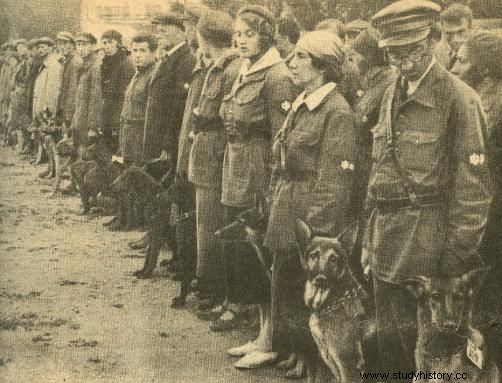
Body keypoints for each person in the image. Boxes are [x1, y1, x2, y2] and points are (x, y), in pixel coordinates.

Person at [367, 0, 491, 376]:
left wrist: (453, 262)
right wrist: (366, 239)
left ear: (434, 39)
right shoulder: (392, 92)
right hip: (385, 244)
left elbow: (473, 192)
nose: (403, 62)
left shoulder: (458, 98)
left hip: (427, 250)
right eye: (393, 54)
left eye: (412, 51)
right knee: (390, 350)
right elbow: (379, 173)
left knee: (428, 360)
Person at [216, 4, 297, 367]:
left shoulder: (276, 75)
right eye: (238, 33)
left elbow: (282, 137)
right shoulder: (245, 70)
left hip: (258, 174)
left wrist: (271, 187)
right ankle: (263, 332)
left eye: (249, 33)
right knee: (247, 256)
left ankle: (272, 339)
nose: (240, 39)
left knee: (263, 258)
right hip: (237, 167)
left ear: (266, 35)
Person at [451, 31, 502, 365]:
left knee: (486, 305)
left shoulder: (493, 108)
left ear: (484, 71)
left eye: (463, 59)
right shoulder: (473, 100)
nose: (455, 64)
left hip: (491, 220)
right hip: (478, 216)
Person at [186, 10, 240, 314]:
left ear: (203, 38)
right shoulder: (218, 67)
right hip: (206, 155)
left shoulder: (229, 70)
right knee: (204, 222)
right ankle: (207, 282)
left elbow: (222, 120)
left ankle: (213, 287)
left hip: (214, 157)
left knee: (211, 224)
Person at [350, 28, 397, 218]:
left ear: (367, 57)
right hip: (361, 167)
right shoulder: (373, 82)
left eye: (355, 54)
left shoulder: (389, 85)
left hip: (371, 170)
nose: (352, 58)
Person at [142, 8, 196, 165]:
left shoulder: (185, 61)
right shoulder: (169, 58)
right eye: (158, 31)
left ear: (179, 33)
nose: (158, 35)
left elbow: (178, 107)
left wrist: (168, 145)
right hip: (157, 138)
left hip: (168, 143)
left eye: (163, 31)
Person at [119, 33, 157, 167]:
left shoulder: (154, 76)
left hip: (140, 143)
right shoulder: (137, 74)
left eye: (143, 50)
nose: (137, 55)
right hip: (128, 140)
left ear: (153, 53)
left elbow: (153, 116)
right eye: (134, 50)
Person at [100, 30, 134, 152]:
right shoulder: (106, 62)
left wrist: (116, 123)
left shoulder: (125, 63)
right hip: (107, 114)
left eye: (110, 42)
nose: (106, 46)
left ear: (119, 44)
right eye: (104, 43)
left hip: (118, 117)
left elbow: (124, 96)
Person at [32, 37, 63, 166]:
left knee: (50, 139)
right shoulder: (44, 65)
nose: (41, 50)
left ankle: (53, 168)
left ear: (51, 48)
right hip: (40, 106)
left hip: (47, 109)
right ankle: (49, 166)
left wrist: (48, 109)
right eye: (39, 47)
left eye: (44, 47)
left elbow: (52, 89)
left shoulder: (54, 65)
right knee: (43, 137)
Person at [71, 32, 101, 155]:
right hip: (79, 119)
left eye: (84, 44)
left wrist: (92, 127)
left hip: (87, 122)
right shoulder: (81, 66)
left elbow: (96, 98)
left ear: (93, 46)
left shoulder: (96, 66)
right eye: (78, 45)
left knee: (85, 156)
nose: (81, 48)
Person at [55, 31, 81, 127]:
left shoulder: (75, 62)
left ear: (72, 45)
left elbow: (73, 91)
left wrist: (68, 116)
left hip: (70, 112)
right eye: (59, 44)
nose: (62, 47)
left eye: (65, 43)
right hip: (63, 108)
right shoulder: (65, 61)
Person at [440, 3, 474, 70]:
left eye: (461, 32)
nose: (455, 39)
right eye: (449, 33)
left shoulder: (483, 55)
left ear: (471, 29)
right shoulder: (442, 55)